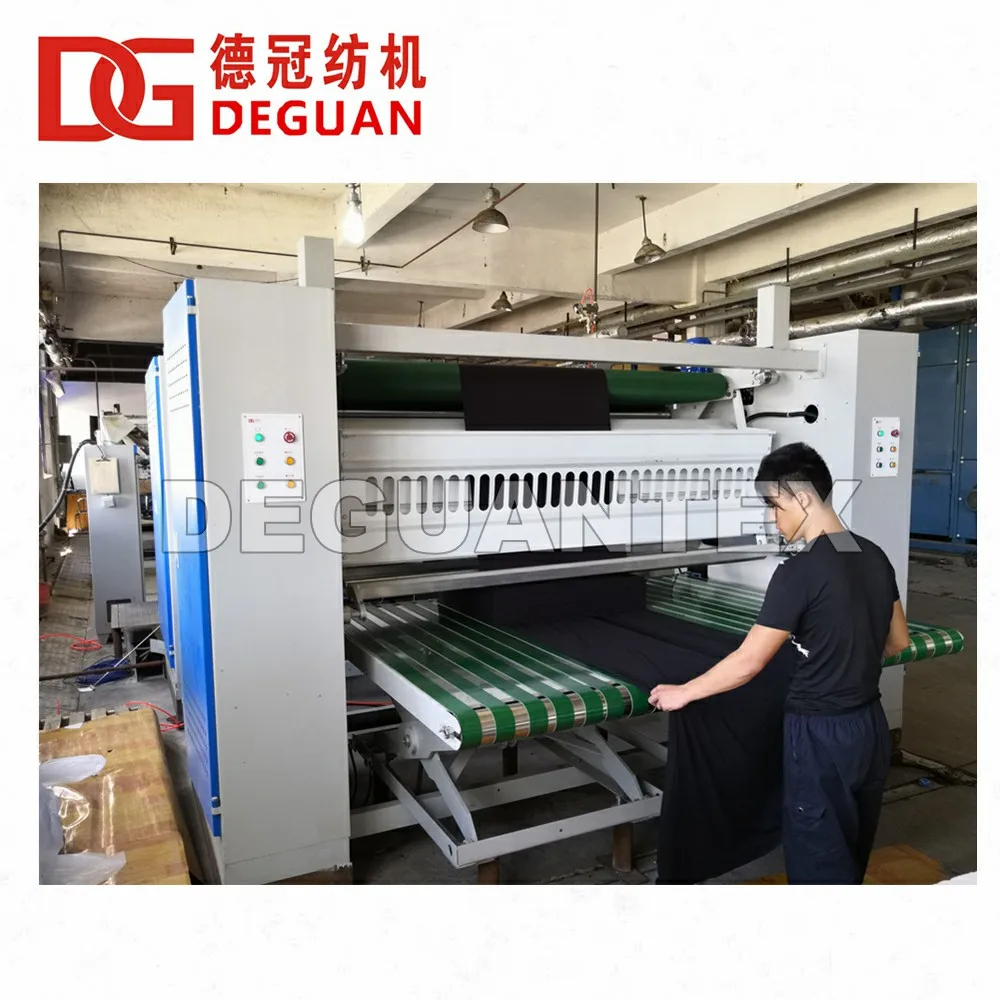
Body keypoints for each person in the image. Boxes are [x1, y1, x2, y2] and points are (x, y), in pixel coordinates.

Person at [648, 442, 912, 884]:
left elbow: (749, 662)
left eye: (774, 505)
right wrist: (843, 650)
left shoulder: (799, 572)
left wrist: (684, 692)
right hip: (869, 727)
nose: (773, 518)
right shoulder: (872, 554)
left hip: (820, 737)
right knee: (851, 849)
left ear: (803, 498)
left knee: (819, 863)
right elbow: (898, 641)